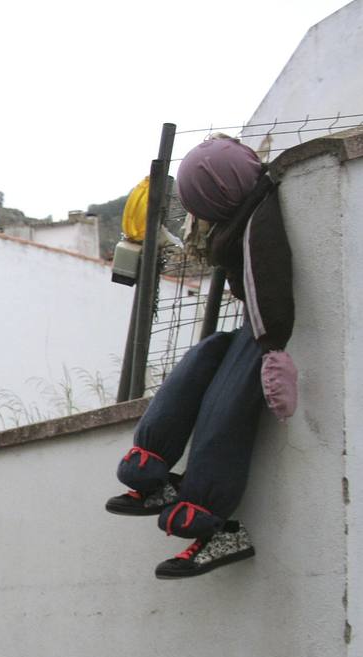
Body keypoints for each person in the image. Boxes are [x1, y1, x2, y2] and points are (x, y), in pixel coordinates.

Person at [106, 135, 296, 578]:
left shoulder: (255, 226)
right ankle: (150, 470)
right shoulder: (237, 228)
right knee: (204, 357)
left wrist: (273, 358)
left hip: (264, 338)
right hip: (250, 333)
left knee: (223, 413)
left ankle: (212, 523)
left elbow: (269, 293)